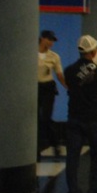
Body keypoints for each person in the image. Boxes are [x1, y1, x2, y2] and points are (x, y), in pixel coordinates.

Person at [63, 35, 97, 193]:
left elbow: (70, 87)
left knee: (72, 157)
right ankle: (95, 192)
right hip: (95, 118)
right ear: (93, 51)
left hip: (74, 118)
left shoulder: (68, 71)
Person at [38, 30, 66, 159]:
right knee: (36, 118)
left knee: (46, 117)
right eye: (49, 39)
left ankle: (55, 144)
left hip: (48, 88)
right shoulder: (30, 53)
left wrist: (68, 87)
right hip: (34, 88)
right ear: (42, 38)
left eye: (52, 41)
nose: (51, 43)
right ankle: (37, 147)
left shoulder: (54, 57)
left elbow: (59, 74)